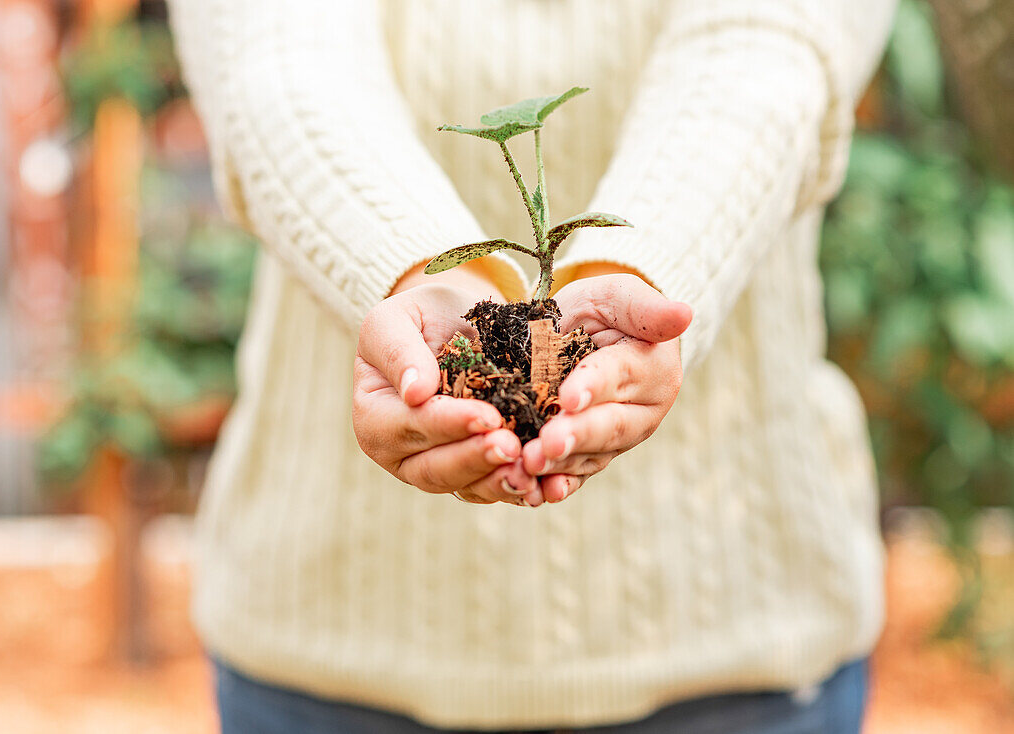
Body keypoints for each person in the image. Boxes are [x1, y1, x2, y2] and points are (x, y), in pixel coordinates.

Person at [168, 0, 896, 731]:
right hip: (324, 642)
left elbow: (768, 54)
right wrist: (416, 274)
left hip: (739, 647)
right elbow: (280, 64)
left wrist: (641, 277)